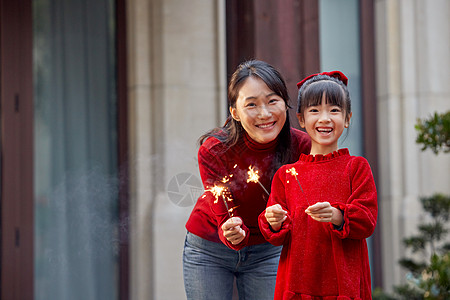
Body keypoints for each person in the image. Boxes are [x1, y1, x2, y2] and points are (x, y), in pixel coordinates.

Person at [183, 60, 311, 300]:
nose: (264, 114)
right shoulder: (214, 150)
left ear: (285, 103)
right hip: (209, 250)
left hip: (268, 250)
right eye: (251, 104)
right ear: (235, 113)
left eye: (272, 101)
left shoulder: (302, 147)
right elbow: (224, 216)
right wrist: (231, 230)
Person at [259, 71, 378, 300]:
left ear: (347, 118)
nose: (324, 118)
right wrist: (273, 220)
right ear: (302, 119)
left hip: (345, 285)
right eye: (315, 110)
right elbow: (275, 234)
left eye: (334, 110)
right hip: (297, 284)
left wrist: (338, 215)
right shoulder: (286, 175)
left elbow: (367, 221)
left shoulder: (356, 167)